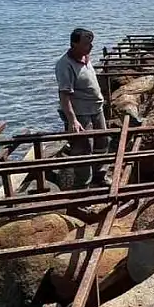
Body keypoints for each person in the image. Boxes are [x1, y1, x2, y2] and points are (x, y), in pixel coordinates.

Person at [55, 27, 109, 188]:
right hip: (80, 113)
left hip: (96, 108)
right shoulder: (64, 65)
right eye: (86, 44)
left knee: (103, 143)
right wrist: (72, 120)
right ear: (74, 44)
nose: (90, 47)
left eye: (91, 43)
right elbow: (64, 95)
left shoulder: (85, 57)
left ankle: (100, 176)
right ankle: (82, 186)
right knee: (82, 150)